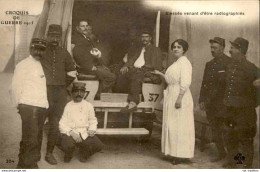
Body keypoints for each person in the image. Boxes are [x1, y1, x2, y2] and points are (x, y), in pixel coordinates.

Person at [153, 39, 195, 165]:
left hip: (179, 95)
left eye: (179, 47)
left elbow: (186, 81)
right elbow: (170, 79)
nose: (175, 49)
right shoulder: (176, 63)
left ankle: (180, 154)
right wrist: (160, 74)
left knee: (179, 125)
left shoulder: (185, 63)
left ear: (184, 50)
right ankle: (172, 152)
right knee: (171, 124)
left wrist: (179, 98)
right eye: (174, 47)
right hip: (171, 93)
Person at [41, 24, 76, 165]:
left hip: (59, 93)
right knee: (37, 122)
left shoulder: (64, 52)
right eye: (52, 36)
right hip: (42, 92)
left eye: (57, 36)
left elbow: (72, 72)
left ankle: (49, 153)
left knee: (55, 124)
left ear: (60, 38)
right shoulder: (41, 51)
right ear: (47, 36)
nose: (55, 39)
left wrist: (62, 84)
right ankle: (33, 152)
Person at [222, 37, 260, 168]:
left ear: (240, 50)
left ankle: (246, 165)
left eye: (232, 48)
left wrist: (250, 105)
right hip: (230, 109)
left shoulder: (252, 68)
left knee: (245, 139)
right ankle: (233, 163)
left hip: (244, 112)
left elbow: (258, 91)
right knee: (230, 137)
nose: (230, 50)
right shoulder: (230, 66)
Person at [11, 38, 49, 168]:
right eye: (36, 49)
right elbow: (15, 88)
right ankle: (28, 165)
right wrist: (18, 105)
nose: (39, 52)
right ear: (31, 48)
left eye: (42, 50)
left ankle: (24, 164)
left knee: (36, 138)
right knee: (31, 139)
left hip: (40, 107)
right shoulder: (23, 65)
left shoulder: (42, 65)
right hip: (28, 106)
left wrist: (45, 105)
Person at [199, 37, 231, 161]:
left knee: (226, 130)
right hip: (210, 104)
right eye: (211, 47)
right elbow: (204, 83)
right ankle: (221, 152)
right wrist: (201, 100)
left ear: (222, 48)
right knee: (215, 129)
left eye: (215, 48)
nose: (212, 50)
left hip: (223, 104)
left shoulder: (229, 63)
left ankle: (231, 156)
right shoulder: (209, 64)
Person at [117, 29, 163, 112]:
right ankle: (120, 98)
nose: (144, 39)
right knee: (120, 71)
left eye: (146, 37)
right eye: (142, 37)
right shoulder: (139, 49)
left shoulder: (155, 50)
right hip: (135, 70)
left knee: (136, 76)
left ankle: (133, 102)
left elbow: (156, 66)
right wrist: (126, 66)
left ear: (150, 38)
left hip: (147, 72)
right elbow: (132, 60)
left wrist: (141, 68)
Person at [59, 82, 104, 163]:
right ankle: (69, 153)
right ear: (72, 93)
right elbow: (62, 123)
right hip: (72, 132)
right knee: (67, 144)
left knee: (98, 145)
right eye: (76, 91)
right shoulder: (68, 106)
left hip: (84, 132)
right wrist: (72, 133)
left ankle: (84, 154)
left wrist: (91, 129)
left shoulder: (88, 105)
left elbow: (93, 120)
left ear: (84, 93)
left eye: (81, 92)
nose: (79, 94)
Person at [72, 20, 116, 95]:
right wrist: (90, 66)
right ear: (77, 28)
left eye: (86, 26)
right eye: (82, 26)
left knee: (108, 70)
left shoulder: (86, 38)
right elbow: (77, 55)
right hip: (86, 67)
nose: (85, 28)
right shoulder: (78, 39)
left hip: (92, 65)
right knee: (111, 77)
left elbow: (86, 53)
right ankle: (98, 95)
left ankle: (101, 93)